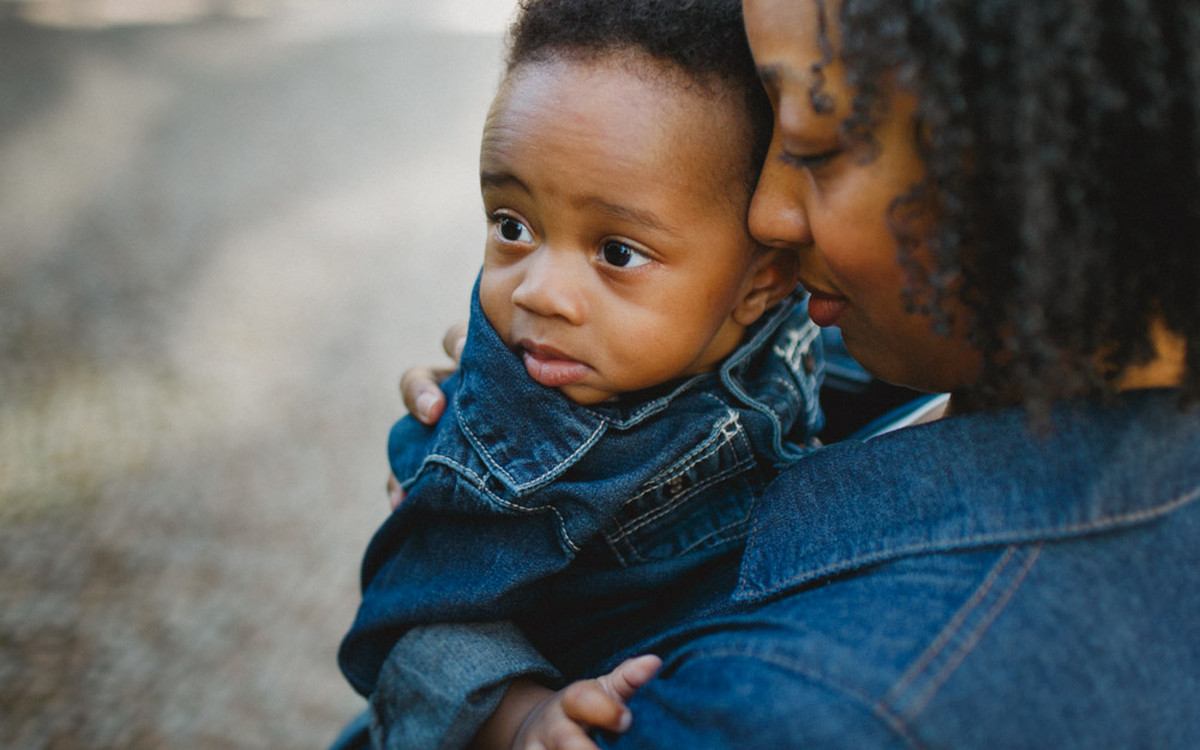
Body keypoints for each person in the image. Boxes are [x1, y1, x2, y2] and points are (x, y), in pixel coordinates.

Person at [389, 0, 1200, 747]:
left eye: (810, 145)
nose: (766, 217)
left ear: (1036, 161)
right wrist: (510, 417)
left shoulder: (811, 708)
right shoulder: (928, 354)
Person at [333, 0, 830, 747]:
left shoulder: (805, 325)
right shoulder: (499, 444)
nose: (537, 291)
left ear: (763, 284)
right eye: (512, 226)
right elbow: (410, 623)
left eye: (617, 252)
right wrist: (521, 715)